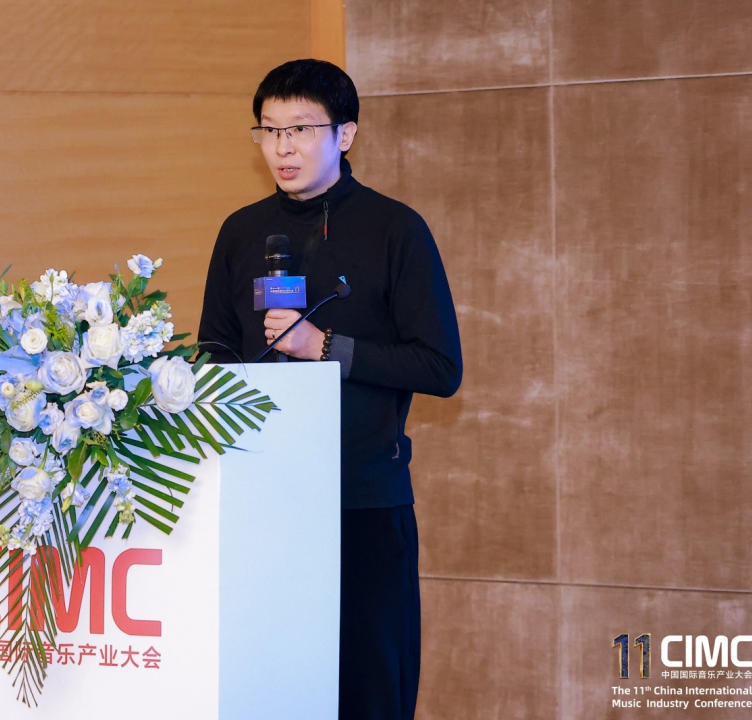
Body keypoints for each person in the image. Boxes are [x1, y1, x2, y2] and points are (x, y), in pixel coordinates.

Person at [197, 59, 463, 720]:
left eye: (301, 129)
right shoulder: (240, 231)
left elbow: (439, 367)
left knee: (368, 689)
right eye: (269, 130)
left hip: (361, 500)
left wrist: (326, 348)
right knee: (268, 690)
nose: (282, 147)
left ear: (345, 135)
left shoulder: (394, 229)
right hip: (262, 503)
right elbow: (213, 354)